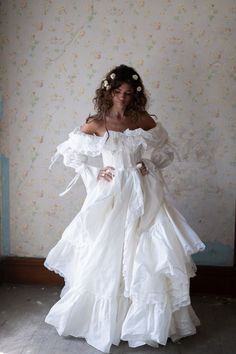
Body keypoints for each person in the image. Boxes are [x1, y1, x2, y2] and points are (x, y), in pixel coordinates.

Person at [44, 64, 206, 353]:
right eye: (117, 91)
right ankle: (105, 321)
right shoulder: (97, 122)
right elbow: (70, 152)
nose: (122, 97)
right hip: (112, 193)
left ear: (135, 94)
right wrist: (95, 173)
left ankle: (145, 321)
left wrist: (150, 164)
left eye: (128, 93)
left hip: (141, 191)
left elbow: (166, 148)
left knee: (145, 249)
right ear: (108, 91)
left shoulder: (140, 119)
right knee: (105, 250)